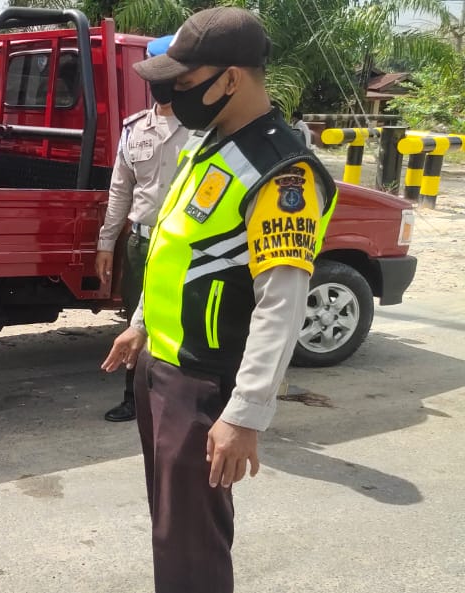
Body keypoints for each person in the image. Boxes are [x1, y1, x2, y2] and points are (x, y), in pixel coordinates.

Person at [100, 8, 337, 593]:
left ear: (231, 78)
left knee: (193, 549)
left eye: (185, 81)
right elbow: (177, 248)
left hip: (205, 384)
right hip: (160, 366)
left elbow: (281, 306)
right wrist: (141, 324)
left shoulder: (281, 173)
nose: (175, 94)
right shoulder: (211, 144)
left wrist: (245, 415)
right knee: (171, 532)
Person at [95, 34, 189, 423]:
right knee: (136, 320)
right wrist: (105, 242)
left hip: (186, 247)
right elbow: (120, 189)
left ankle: (179, 398)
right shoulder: (135, 129)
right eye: (154, 74)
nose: (159, 83)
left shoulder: (202, 130)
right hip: (142, 243)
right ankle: (134, 399)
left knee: (182, 323)